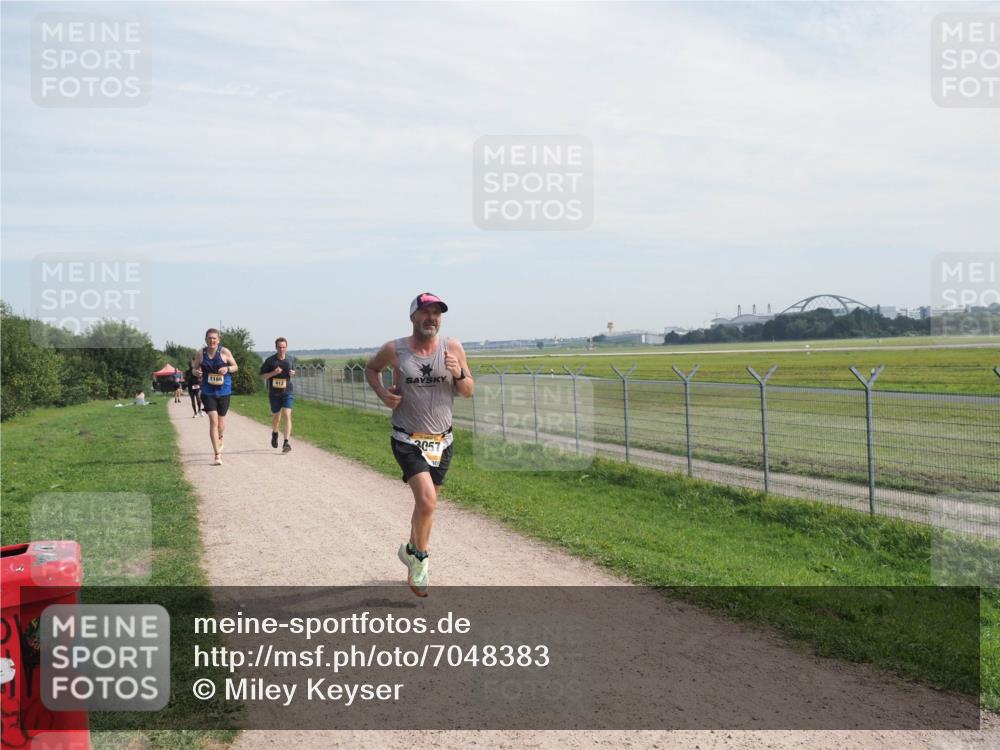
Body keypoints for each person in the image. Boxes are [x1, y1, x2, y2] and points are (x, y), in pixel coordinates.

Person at [365, 293, 473, 596]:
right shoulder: (395, 349)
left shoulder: (452, 347)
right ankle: (421, 561)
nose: (432, 318)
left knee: (425, 506)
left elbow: (467, 391)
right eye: (426, 312)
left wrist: (459, 372)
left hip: (442, 441)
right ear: (413, 317)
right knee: (427, 501)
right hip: (407, 438)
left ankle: (410, 550)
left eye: (437, 313)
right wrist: (383, 395)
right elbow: (371, 369)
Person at [191, 329, 239, 466]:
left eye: (214, 338)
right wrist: (197, 372)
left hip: (224, 391)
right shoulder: (201, 353)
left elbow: (236, 366)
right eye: (209, 338)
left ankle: (220, 437)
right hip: (208, 391)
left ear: (218, 339)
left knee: (221, 423)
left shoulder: (224, 352)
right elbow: (193, 369)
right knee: (213, 420)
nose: (212, 341)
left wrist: (227, 369)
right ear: (205, 339)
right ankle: (217, 454)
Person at [259, 337, 296, 452]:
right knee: (276, 417)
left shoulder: (290, 359)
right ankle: (275, 433)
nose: (281, 349)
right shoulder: (270, 361)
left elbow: (293, 372)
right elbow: (262, 376)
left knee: (287, 414)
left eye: (284, 347)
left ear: (286, 347)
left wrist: (293, 373)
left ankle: (286, 443)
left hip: (287, 391)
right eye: (279, 347)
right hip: (274, 393)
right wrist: (273, 373)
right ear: (276, 348)